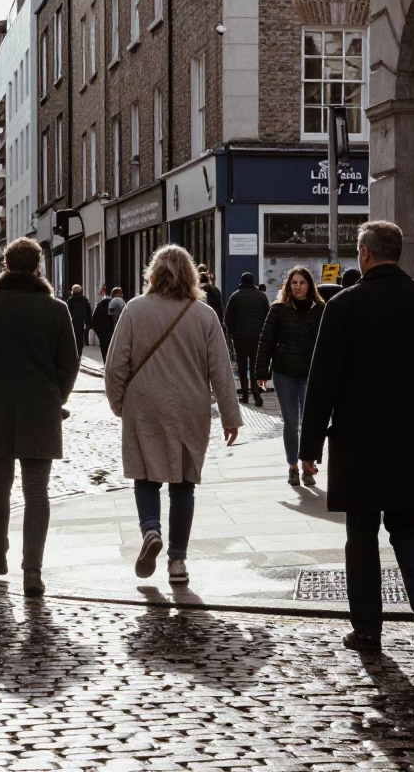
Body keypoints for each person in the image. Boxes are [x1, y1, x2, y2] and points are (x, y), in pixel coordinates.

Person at [299, 222, 414, 656]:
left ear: (365, 255)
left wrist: (309, 450)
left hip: (359, 442)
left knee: (361, 534)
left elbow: (322, 384)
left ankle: (368, 630)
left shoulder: (343, 306)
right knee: (409, 526)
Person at [104, 245, 243, 585]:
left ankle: (151, 530)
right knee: (183, 485)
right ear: (192, 276)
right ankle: (177, 561)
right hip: (190, 408)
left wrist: (120, 404)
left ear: (152, 274)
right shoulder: (204, 315)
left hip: (145, 405)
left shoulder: (134, 310)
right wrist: (230, 416)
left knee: (146, 476)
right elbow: (221, 371)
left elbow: (114, 367)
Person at [0, 238, 79, 597]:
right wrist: (57, 398)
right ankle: (32, 571)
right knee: (37, 491)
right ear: (39, 266)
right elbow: (68, 364)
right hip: (41, 408)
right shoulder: (56, 309)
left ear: (5, 266)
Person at [256, 266, 323, 487]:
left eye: (302, 282)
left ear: (309, 285)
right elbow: (266, 341)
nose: (298, 286)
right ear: (288, 285)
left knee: (309, 423)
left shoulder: (320, 310)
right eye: (294, 282)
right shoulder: (278, 310)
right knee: (291, 423)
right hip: (284, 373)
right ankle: (293, 466)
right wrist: (261, 373)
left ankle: (308, 466)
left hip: (311, 375)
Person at [224, 272, 270, 407]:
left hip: (240, 337)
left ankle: (245, 396)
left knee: (242, 366)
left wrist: (231, 333)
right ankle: (256, 394)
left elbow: (228, 319)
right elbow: (268, 317)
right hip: (257, 337)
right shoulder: (261, 297)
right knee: (255, 365)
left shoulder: (235, 297)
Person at [65, 284, 92, 357]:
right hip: (82, 321)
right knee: (81, 338)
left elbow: (67, 312)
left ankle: (74, 353)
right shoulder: (85, 300)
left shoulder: (70, 300)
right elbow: (89, 312)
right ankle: (79, 353)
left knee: (73, 337)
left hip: (72, 321)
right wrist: (89, 322)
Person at [92, 285, 116, 360]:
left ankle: (105, 361)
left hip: (102, 333)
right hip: (111, 332)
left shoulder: (99, 306)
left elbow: (93, 320)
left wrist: (98, 331)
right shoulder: (114, 307)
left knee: (104, 349)